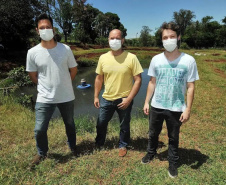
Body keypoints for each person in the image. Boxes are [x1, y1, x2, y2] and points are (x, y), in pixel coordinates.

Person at [141, 22, 199, 178]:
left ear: (178, 37)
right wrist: (147, 101)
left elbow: (191, 87)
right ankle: (150, 153)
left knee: (173, 136)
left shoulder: (189, 61)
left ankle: (173, 162)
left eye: (172, 36)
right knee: (153, 133)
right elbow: (152, 82)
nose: (168, 40)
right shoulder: (155, 60)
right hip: (157, 105)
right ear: (161, 39)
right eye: (165, 37)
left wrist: (187, 109)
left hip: (176, 107)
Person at [26, 13, 78, 167]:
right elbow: (33, 75)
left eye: (48, 27)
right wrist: (45, 86)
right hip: (44, 97)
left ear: (53, 29)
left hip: (66, 95)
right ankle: (42, 152)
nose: (45, 30)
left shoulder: (65, 49)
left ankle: (73, 147)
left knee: (69, 123)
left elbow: (73, 70)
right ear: (37, 30)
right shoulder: (32, 52)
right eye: (42, 28)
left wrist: (64, 83)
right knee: (39, 129)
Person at [94, 29, 143, 157]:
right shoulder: (103, 58)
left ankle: (123, 145)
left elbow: (138, 80)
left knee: (124, 124)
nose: (114, 40)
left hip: (124, 98)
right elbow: (99, 78)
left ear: (122, 40)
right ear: (108, 40)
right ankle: (99, 143)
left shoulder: (131, 58)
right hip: (106, 98)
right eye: (111, 38)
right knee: (101, 123)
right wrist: (95, 96)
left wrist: (129, 99)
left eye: (117, 38)